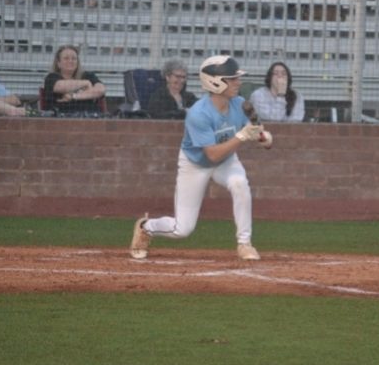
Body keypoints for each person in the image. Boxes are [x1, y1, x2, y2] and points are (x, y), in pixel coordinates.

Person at [130, 55, 271, 261]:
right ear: (215, 81)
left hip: (226, 161)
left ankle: (245, 243)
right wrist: (242, 136)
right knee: (182, 229)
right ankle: (146, 227)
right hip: (195, 164)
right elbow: (212, 154)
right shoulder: (199, 113)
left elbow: (259, 134)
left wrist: (263, 137)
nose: (238, 82)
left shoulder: (240, 104)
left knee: (240, 183)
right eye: (232, 78)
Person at [43, 45, 106, 117]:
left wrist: (74, 96)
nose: (70, 61)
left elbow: (101, 90)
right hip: (61, 119)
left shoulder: (88, 76)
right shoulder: (51, 77)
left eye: (74, 58)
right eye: (66, 58)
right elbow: (60, 86)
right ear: (58, 63)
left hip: (90, 117)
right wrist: (86, 83)